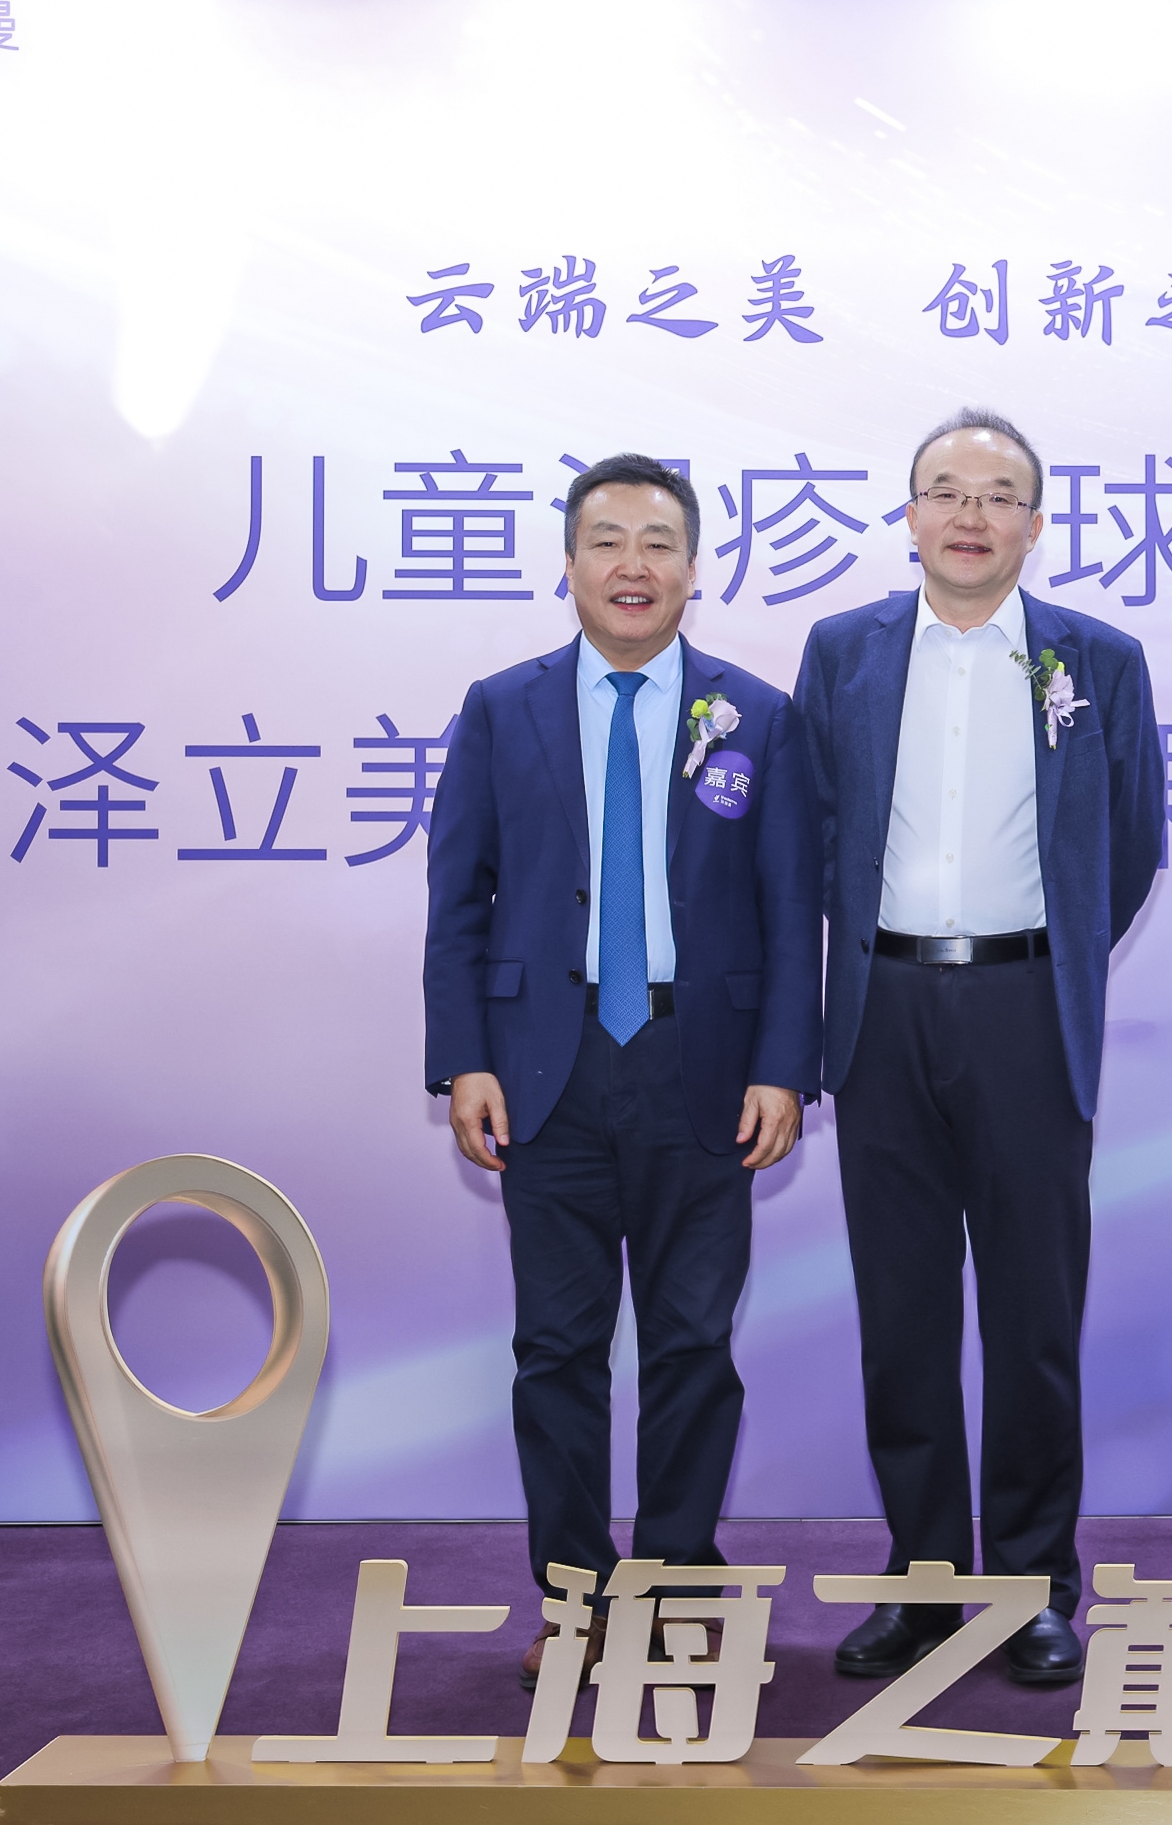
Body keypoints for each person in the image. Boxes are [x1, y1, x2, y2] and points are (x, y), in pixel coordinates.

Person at [422, 453, 823, 1689]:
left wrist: (783, 1066)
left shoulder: (757, 715)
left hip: (703, 1069)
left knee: (693, 1345)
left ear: (694, 569)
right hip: (546, 1070)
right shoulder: (503, 707)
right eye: (606, 540)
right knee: (556, 1349)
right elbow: (458, 898)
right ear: (568, 564)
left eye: (657, 541)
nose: (631, 564)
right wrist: (462, 1059)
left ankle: (678, 1585)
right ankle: (574, 1596)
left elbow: (790, 907)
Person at [793, 408, 1163, 1687]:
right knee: (900, 1318)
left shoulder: (1095, 660)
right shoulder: (841, 651)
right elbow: (810, 833)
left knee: (1030, 1317)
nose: (969, 515)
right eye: (945, 490)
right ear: (908, 516)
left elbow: (1128, 844)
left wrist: (1046, 956)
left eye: (998, 495)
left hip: (1023, 1012)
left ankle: (1031, 1587)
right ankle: (921, 1582)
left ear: (1034, 523)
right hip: (882, 1006)